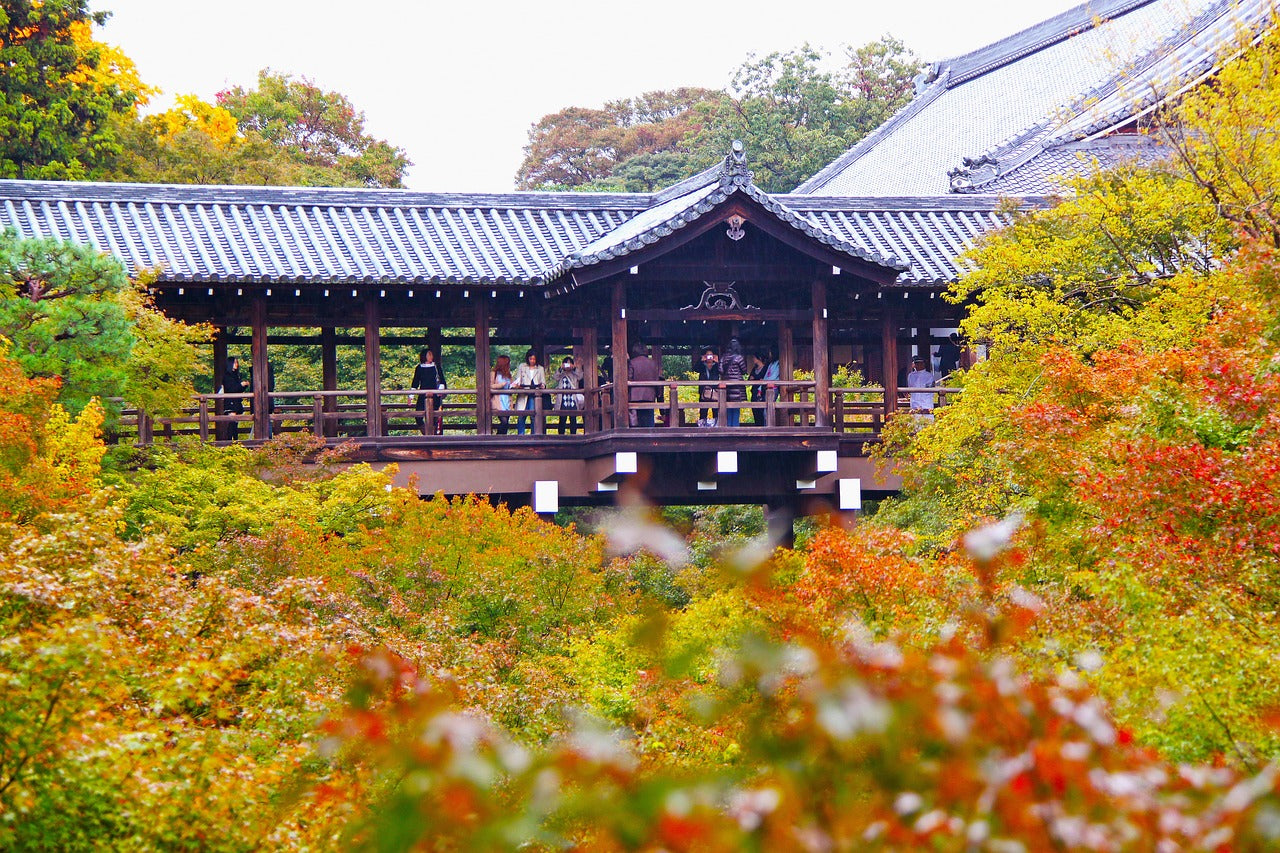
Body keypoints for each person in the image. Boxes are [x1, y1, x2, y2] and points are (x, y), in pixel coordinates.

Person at [411, 349, 446, 435]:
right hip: (423, 395)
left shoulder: (436, 367)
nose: (431, 357)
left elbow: (442, 380)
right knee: (418, 415)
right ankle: (426, 433)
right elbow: (415, 383)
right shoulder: (419, 368)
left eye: (431, 355)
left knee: (434, 416)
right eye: (429, 355)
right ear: (424, 356)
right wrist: (411, 396)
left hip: (435, 394)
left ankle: (432, 434)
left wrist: (440, 390)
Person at [514, 349, 546, 435]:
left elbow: (543, 382)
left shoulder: (540, 368)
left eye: (534, 359)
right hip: (523, 393)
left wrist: (542, 385)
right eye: (531, 359)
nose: (532, 361)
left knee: (533, 416)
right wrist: (518, 384)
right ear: (528, 358)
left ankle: (533, 434)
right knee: (521, 415)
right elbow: (518, 379)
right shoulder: (522, 366)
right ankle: (521, 435)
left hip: (535, 394)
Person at [627, 342, 659, 427]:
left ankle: (636, 438)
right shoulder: (653, 363)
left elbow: (629, 378)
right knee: (649, 419)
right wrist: (658, 393)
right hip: (650, 395)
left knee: (637, 421)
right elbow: (657, 379)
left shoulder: (632, 363)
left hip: (635, 396)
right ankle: (651, 436)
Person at [719, 338, 748, 427]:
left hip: (727, 387)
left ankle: (728, 428)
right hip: (737, 387)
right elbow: (744, 371)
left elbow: (720, 370)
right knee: (736, 408)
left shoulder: (723, 357)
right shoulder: (739, 358)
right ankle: (735, 428)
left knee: (727, 407)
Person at [553, 355, 584, 434]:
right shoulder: (561, 374)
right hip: (563, 399)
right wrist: (560, 368)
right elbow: (555, 377)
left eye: (569, 363)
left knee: (573, 418)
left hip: (572, 398)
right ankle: (560, 436)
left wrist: (574, 368)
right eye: (566, 363)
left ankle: (573, 435)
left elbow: (580, 376)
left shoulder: (574, 374)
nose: (568, 365)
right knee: (562, 418)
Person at [220, 356, 245, 440]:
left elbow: (238, 390)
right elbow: (231, 389)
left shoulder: (236, 375)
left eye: (237, 363)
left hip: (237, 401)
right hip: (230, 402)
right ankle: (230, 440)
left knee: (235, 422)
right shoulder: (227, 376)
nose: (236, 365)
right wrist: (240, 385)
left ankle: (235, 441)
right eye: (234, 363)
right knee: (232, 422)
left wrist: (243, 386)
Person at [695, 346, 720, 427]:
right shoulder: (702, 366)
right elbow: (695, 369)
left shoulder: (716, 366)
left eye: (711, 355)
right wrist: (700, 360)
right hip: (703, 391)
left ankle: (716, 427)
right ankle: (702, 428)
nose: (709, 357)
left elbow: (722, 371)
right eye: (707, 355)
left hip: (714, 391)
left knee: (715, 411)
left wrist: (718, 362)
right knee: (703, 411)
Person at [491, 354, 513, 435]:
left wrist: (514, 386)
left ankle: (504, 438)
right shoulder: (494, 373)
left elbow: (511, 384)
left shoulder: (508, 374)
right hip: (498, 400)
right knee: (504, 422)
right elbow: (490, 386)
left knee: (507, 422)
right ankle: (497, 438)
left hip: (507, 400)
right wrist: (501, 385)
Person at [748, 351, 768, 426]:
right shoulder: (754, 368)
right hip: (754, 392)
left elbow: (764, 379)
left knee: (761, 412)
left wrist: (755, 378)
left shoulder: (765, 368)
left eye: (754, 358)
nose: (753, 359)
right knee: (755, 411)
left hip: (762, 392)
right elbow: (750, 379)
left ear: (759, 358)